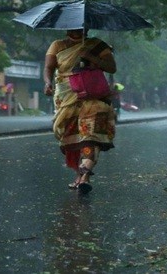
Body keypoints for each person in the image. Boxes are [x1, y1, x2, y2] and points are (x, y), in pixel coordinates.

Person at [44, 28, 117, 194]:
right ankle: (80, 174)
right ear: (66, 28)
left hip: (93, 96)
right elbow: (49, 68)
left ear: (86, 28)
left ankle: (85, 177)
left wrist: (91, 57)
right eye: (72, 26)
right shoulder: (57, 45)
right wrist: (47, 82)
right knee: (73, 138)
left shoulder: (96, 44)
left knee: (90, 136)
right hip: (65, 97)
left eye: (80, 26)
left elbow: (112, 67)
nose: (76, 29)